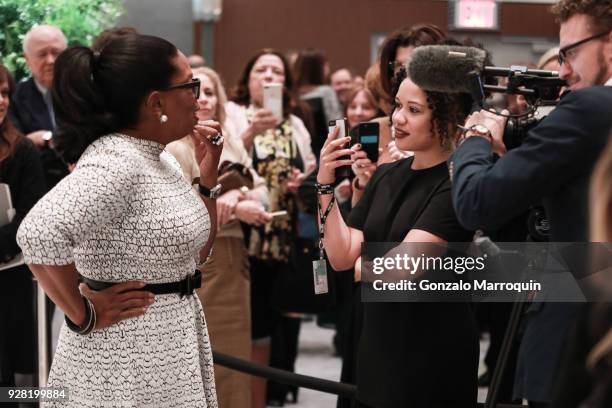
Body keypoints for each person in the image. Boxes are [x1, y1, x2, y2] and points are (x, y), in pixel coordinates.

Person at [16, 34, 223, 407]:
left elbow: (197, 256)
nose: (198, 96)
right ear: (156, 101)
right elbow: (37, 235)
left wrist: (208, 181)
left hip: (169, 340)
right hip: (126, 356)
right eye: (190, 85)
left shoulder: (161, 158)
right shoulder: (117, 161)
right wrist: (84, 316)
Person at [450, 0, 612, 405]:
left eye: (571, 52)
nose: (562, 70)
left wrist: (476, 138)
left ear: (609, 47)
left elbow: (476, 203)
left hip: (576, 343)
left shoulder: (590, 109)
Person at [319, 66, 477, 407]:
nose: (397, 118)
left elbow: (403, 270)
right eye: (397, 106)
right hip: (380, 339)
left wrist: (363, 269)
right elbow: (341, 255)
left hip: (431, 347)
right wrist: (324, 185)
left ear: (448, 117)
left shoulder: (455, 182)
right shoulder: (387, 174)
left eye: (413, 110)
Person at [167, 66, 271, 408]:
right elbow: (179, 209)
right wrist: (232, 204)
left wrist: (238, 199)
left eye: (211, 91)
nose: (205, 98)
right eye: (197, 90)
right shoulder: (170, 145)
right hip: (192, 266)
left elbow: (263, 192)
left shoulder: (228, 140)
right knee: (193, 367)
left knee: (233, 364)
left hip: (233, 260)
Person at [227, 48, 316, 408]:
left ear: (286, 82)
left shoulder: (295, 122)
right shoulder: (234, 115)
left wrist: (301, 180)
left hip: (285, 234)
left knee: (277, 322)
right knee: (249, 323)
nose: (268, 76)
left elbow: (310, 167)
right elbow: (224, 163)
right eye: (260, 69)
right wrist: (251, 131)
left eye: (276, 71)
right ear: (247, 79)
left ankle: (267, 397)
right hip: (243, 231)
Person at [0, 64, 46, 405]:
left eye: (4, 93)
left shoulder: (23, 152)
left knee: (14, 381)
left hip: (10, 278)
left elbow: (33, 217)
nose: (1, 101)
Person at [8, 25, 69, 190]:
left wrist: (46, 139)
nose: (51, 60)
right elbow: (15, 149)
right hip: (36, 189)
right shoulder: (13, 98)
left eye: (56, 53)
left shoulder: (83, 92)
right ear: (27, 59)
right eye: (42, 54)